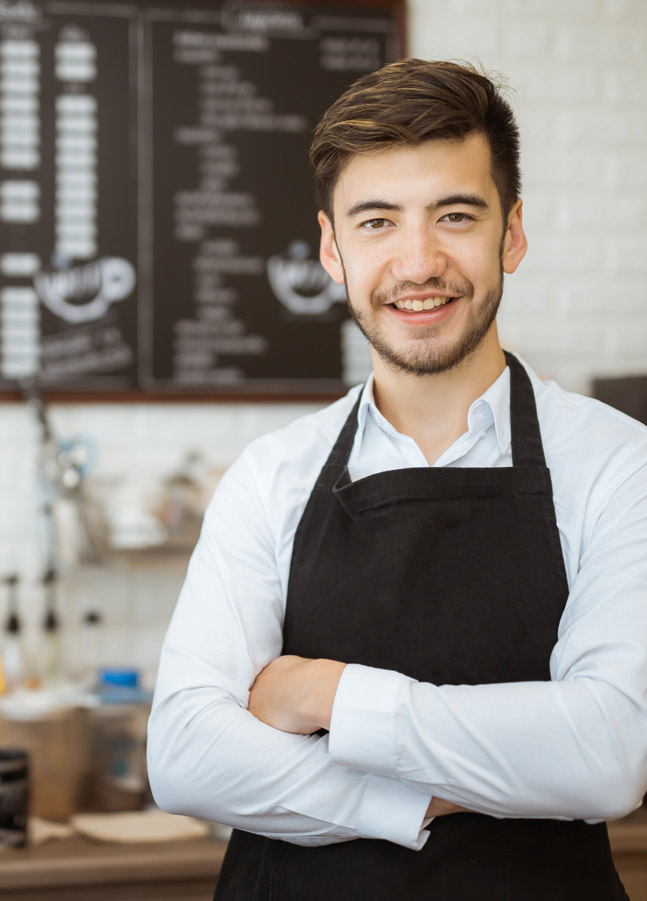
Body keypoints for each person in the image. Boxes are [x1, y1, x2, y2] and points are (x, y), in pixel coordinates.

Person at [147, 59, 647, 900]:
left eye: (454, 215)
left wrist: (326, 693)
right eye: (377, 222)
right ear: (331, 249)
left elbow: (606, 756)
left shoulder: (617, 462)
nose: (417, 263)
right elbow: (189, 758)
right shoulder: (271, 475)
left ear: (511, 233)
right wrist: (433, 795)